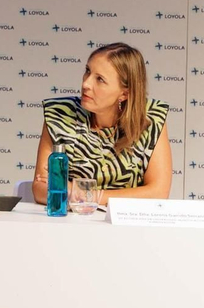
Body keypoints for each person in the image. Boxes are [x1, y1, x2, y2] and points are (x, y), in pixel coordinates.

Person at [31, 42, 170, 205]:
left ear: (124, 93)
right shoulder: (60, 115)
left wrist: (85, 195)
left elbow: (158, 192)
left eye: (100, 80)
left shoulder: (150, 118)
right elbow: (41, 188)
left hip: (126, 226)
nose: (86, 84)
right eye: (87, 71)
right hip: (72, 223)